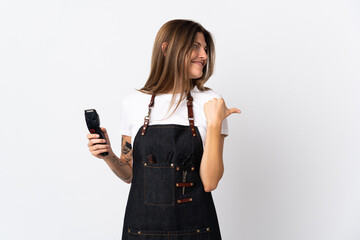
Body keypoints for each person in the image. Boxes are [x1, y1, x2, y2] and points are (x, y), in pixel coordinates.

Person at [87, 19, 241, 240]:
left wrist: (215, 124)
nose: (204, 56)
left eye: (205, 49)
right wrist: (107, 154)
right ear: (167, 49)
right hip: (141, 232)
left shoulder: (212, 103)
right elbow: (128, 173)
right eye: (195, 46)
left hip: (197, 231)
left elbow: (210, 182)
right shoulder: (134, 103)